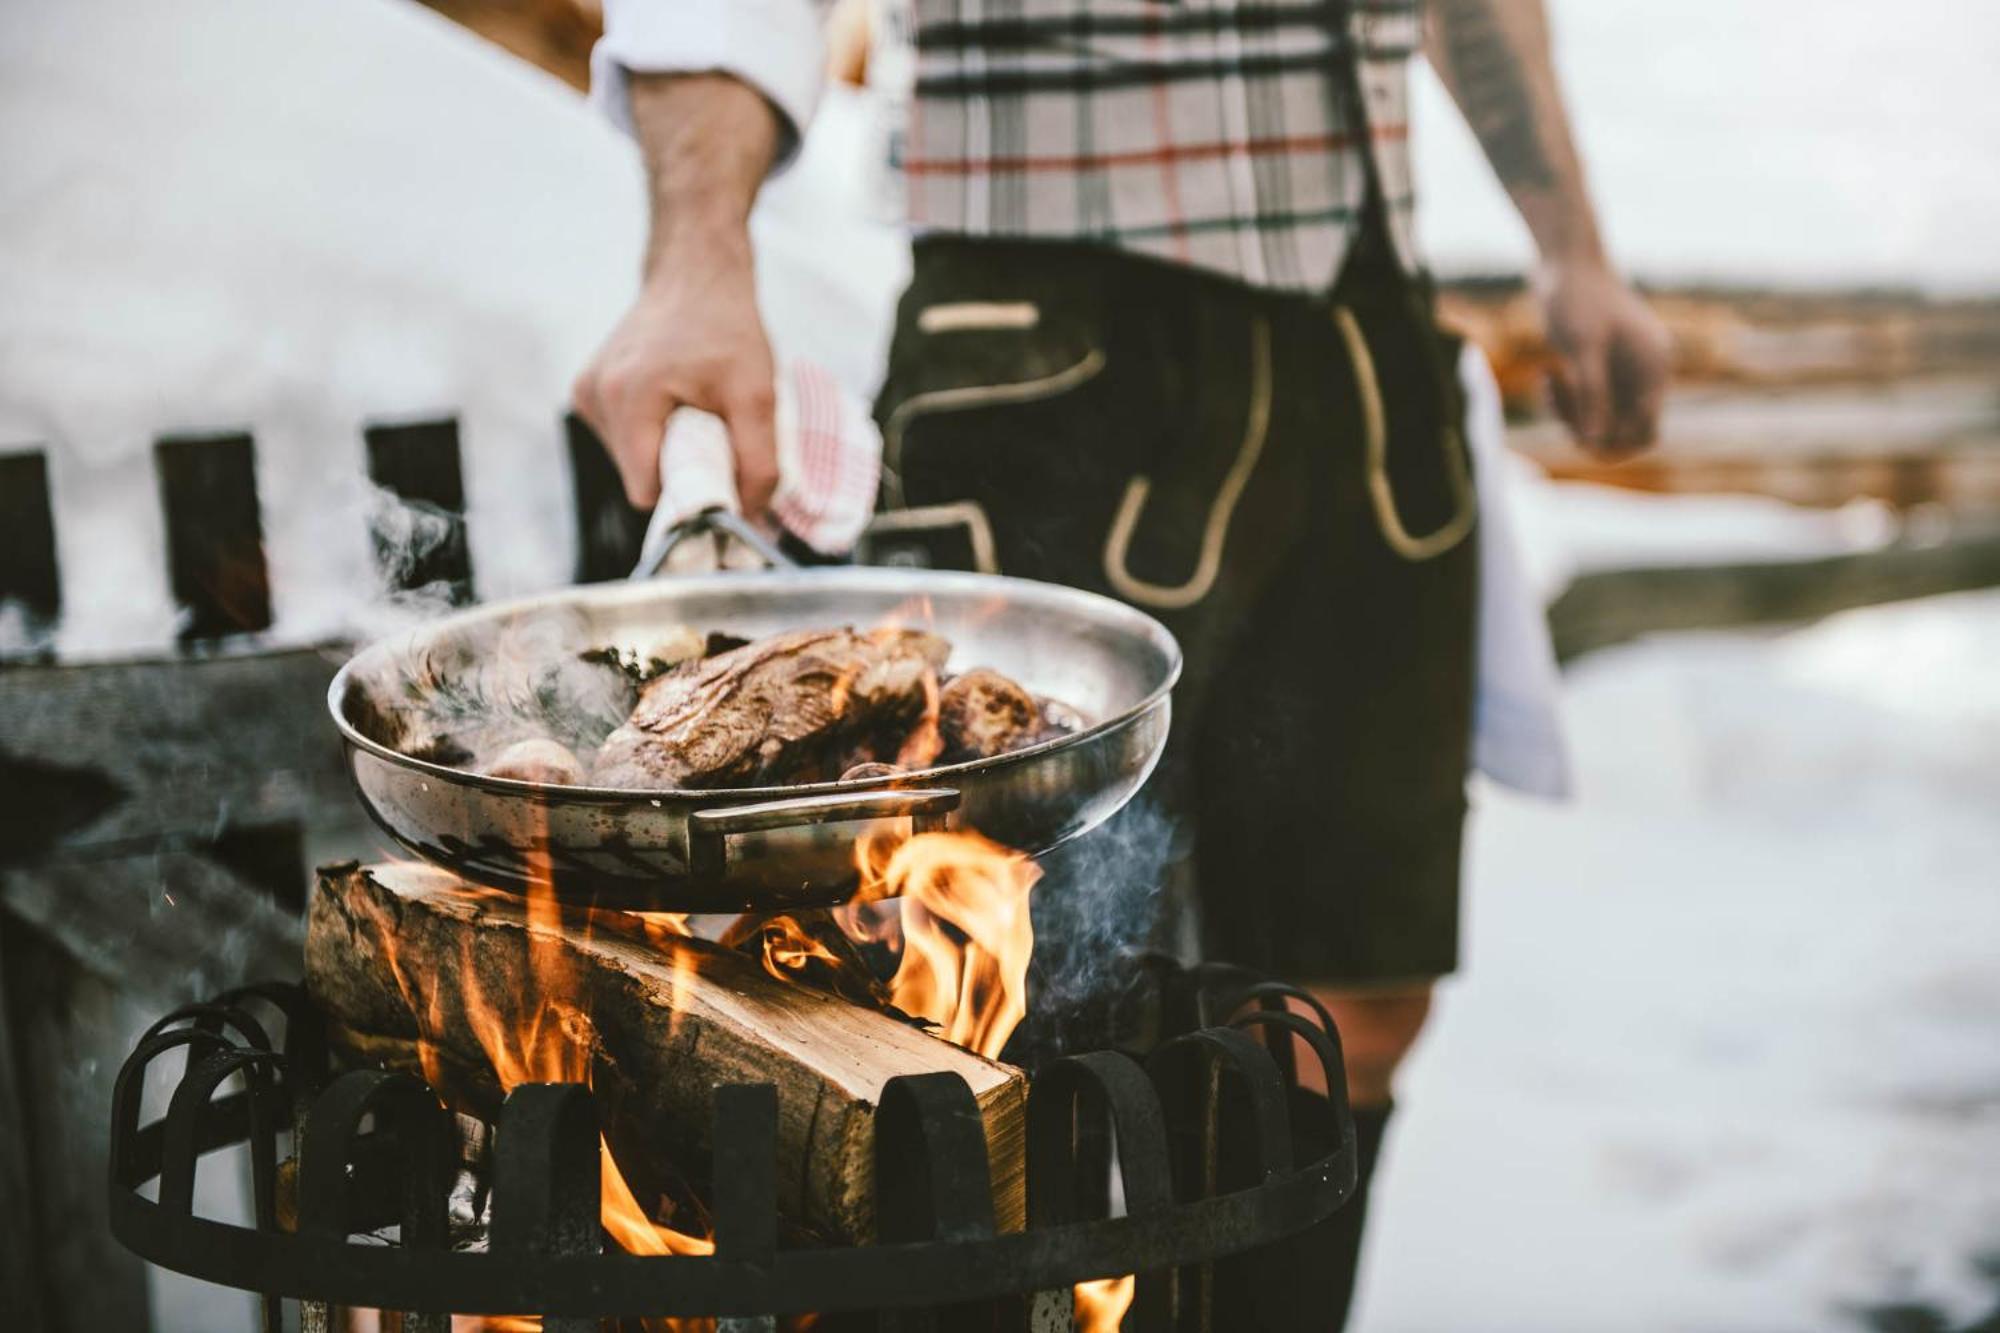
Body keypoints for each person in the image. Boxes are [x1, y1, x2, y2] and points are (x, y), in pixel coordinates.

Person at [574, 0, 1671, 1321]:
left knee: (1346, 999)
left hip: (1361, 343)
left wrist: (1574, 248)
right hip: (1051, 335)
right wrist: (697, 259)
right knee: (970, 989)